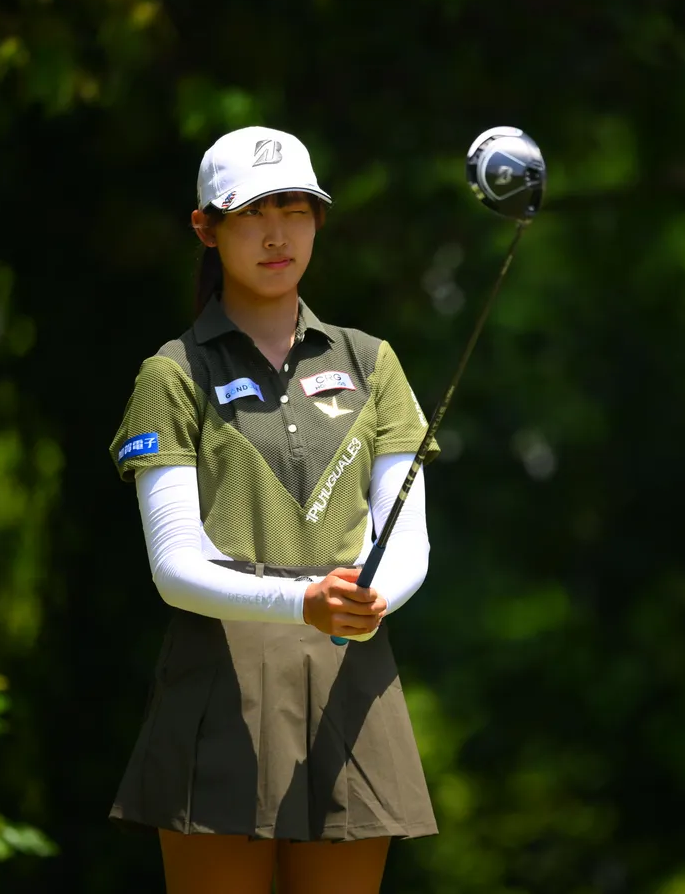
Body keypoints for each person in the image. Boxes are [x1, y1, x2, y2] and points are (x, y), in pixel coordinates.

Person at [106, 126, 440, 894]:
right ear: (206, 227)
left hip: (352, 675)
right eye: (252, 211)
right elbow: (174, 567)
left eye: (294, 208)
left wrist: (370, 599)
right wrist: (302, 602)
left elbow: (407, 540)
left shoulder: (372, 362)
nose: (277, 232)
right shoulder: (173, 373)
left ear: (318, 218)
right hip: (219, 682)